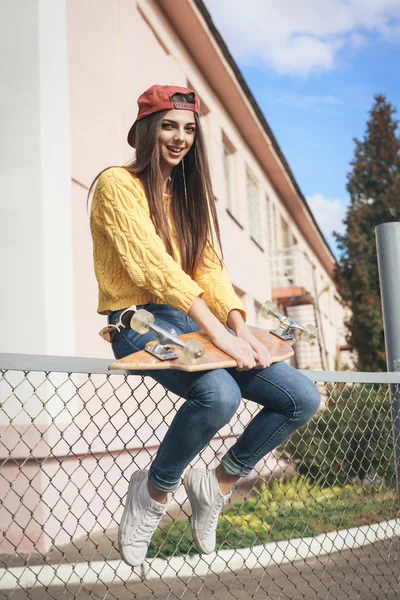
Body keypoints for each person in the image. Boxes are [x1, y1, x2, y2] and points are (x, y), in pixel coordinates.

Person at [89, 84, 321, 568]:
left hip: (193, 319)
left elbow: (210, 271)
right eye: (169, 126)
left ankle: (216, 486)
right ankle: (152, 494)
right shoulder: (117, 184)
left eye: (189, 129)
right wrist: (219, 334)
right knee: (220, 395)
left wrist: (238, 326)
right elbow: (152, 266)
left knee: (301, 397)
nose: (180, 137)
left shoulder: (189, 199)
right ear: (147, 130)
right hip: (139, 320)